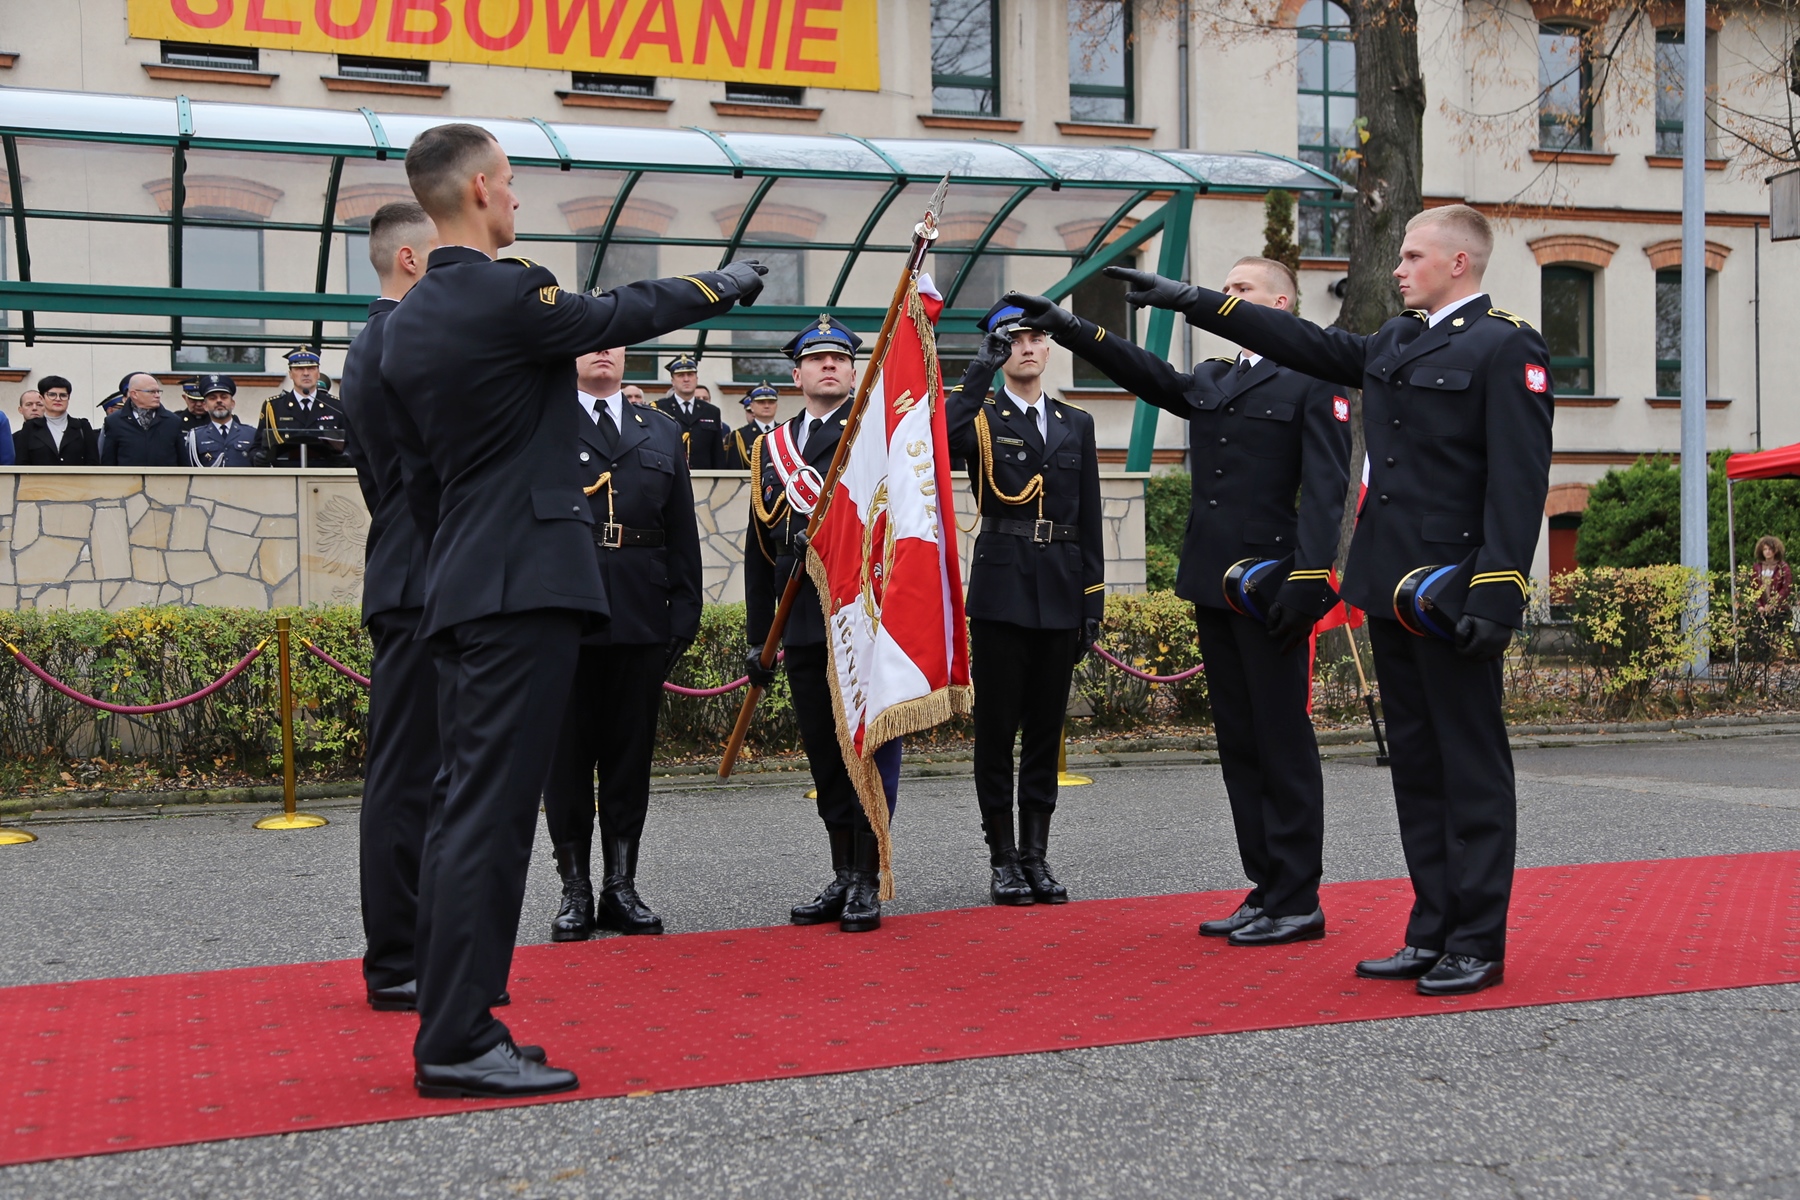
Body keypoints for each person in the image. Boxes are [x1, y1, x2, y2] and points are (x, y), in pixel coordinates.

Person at [379, 121, 765, 1100]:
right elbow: (615, 313)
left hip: (467, 580)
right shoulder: (506, 292)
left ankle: (456, 1015)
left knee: (468, 805)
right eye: (507, 184)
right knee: (493, 815)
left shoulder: (411, 321)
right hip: (525, 587)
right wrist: (721, 284)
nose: (516, 199)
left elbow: (418, 484)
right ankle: (459, 1038)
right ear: (473, 192)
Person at [1114, 204, 1552, 996]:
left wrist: (1498, 591)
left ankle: (1477, 940)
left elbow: (1517, 483)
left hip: (1453, 592)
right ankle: (1432, 930)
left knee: (1470, 770)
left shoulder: (1504, 343)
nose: (1398, 265)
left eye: (1414, 254)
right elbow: (1299, 341)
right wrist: (1184, 298)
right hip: (1389, 588)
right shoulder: (1393, 342)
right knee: (1417, 767)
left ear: (1459, 262)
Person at [1006, 261, 1350, 944]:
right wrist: (1071, 328)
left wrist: (1311, 579)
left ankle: (1298, 897)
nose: (1229, 296)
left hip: (1272, 585)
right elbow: (1149, 374)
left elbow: (1328, 487)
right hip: (1212, 584)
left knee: (1281, 740)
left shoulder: (1312, 378)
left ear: (1279, 302)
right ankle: (1265, 885)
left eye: (1242, 289)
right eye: (1225, 287)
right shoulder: (1221, 377)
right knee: (1240, 744)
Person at [942, 302, 1103, 907]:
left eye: (1036, 336)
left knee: (1044, 730)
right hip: (1003, 590)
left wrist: (1093, 599)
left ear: (1049, 346)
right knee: (996, 731)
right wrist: (977, 369)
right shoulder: (980, 416)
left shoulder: (1076, 422)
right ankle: (1002, 857)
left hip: (1061, 587)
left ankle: (1036, 855)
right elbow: (943, 436)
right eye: (1013, 340)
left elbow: (1087, 513)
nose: (1027, 347)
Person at [541, 345, 703, 942]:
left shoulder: (659, 429)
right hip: (565, 614)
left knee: (629, 761)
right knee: (566, 762)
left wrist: (684, 614)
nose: (603, 351)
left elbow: (681, 529)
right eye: (589, 340)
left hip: (640, 614)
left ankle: (621, 886)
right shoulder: (540, 418)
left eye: (614, 341)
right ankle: (575, 890)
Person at [743, 315, 887, 934]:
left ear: (853, 372)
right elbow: (760, 547)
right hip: (797, 622)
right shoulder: (771, 448)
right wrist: (758, 635)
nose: (829, 366)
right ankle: (841, 873)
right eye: (816, 359)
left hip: (857, 619)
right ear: (796, 373)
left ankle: (867, 877)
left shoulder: (871, 438)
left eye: (840, 359)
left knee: (862, 752)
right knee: (823, 756)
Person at [335, 201, 441, 1018]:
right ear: (410, 260)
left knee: (435, 779)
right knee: (406, 780)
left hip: (421, 572)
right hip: (416, 577)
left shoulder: (388, 340)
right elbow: (410, 483)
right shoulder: (387, 344)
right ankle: (397, 959)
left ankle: (427, 950)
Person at [257, 347, 350, 467]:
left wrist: (348, 456)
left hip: (326, 476)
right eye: (299, 369)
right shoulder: (274, 407)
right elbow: (257, 447)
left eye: (311, 368)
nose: (306, 373)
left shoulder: (336, 406)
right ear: (290, 374)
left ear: (318, 373)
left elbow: (351, 444)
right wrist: (259, 457)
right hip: (286, 476)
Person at [100, 373, 186, 466]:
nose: (157, 395)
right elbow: (108, 463)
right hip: (129, 479)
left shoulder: (172, 421)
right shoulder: (114, 421)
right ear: (134, 394)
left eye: (158, 391)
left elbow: (184, 463)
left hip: (164, 480)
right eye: (151, 392)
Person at [655, 354, 725, 469]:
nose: (686, 379)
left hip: (705, 479)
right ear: (673, 381)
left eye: (690, 375)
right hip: (671, 477)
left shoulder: (711, 411)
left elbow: (717, 453)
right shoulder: (660, 408)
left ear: (696, 379)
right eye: (680, 375)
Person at [14, 376, 97, 466]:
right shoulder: (30, 427)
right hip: (40, 480)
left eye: (63, 395)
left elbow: (93, 463)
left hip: (76, 480)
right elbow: (22, 463)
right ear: (42, 398)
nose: (58, 399)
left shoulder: (82, 427)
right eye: (52, 395)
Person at [184, 376, 259, 467]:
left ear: (232, 404)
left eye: (224, 397)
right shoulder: (195, 436)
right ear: (205, 406)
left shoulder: (251, 434)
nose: (219, 401)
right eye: (213, 398)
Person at [723, 382, 781, 470]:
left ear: (776, 406)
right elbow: (732, 469)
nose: (766, 406)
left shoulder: (786, 432)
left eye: (771, 402)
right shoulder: (738, 436)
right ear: (752, 406)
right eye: (761, 402)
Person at [1753, 536, 1793, 615]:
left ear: (1775, 550)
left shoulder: (1783, 567)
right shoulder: (1757, 567)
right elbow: (1754, 587)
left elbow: (1786, 588)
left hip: (1780, 609)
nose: (1767, 552)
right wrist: (1759, 605)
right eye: (1765, 549)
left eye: (1770, 549)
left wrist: (1774, 603)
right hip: (1762, 610)